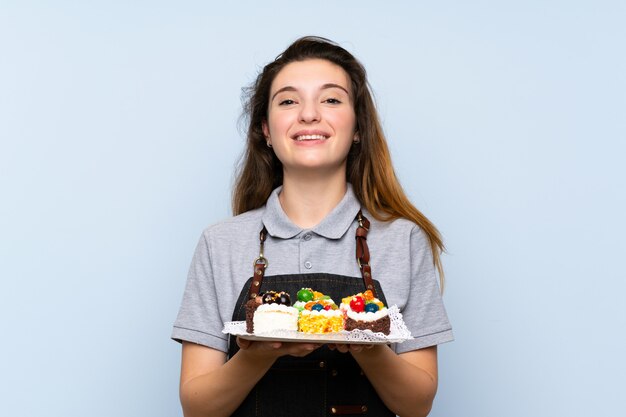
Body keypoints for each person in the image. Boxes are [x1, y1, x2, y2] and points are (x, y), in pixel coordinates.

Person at [171, 36, 453, 417]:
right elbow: (197, 408)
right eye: (288, 100)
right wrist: (258, 355)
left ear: (357, 128)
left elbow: (418, 404)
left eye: (331, 99)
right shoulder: (220, 243)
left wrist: (365, 343)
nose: (308, 114)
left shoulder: (403, 240)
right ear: (266, 131)